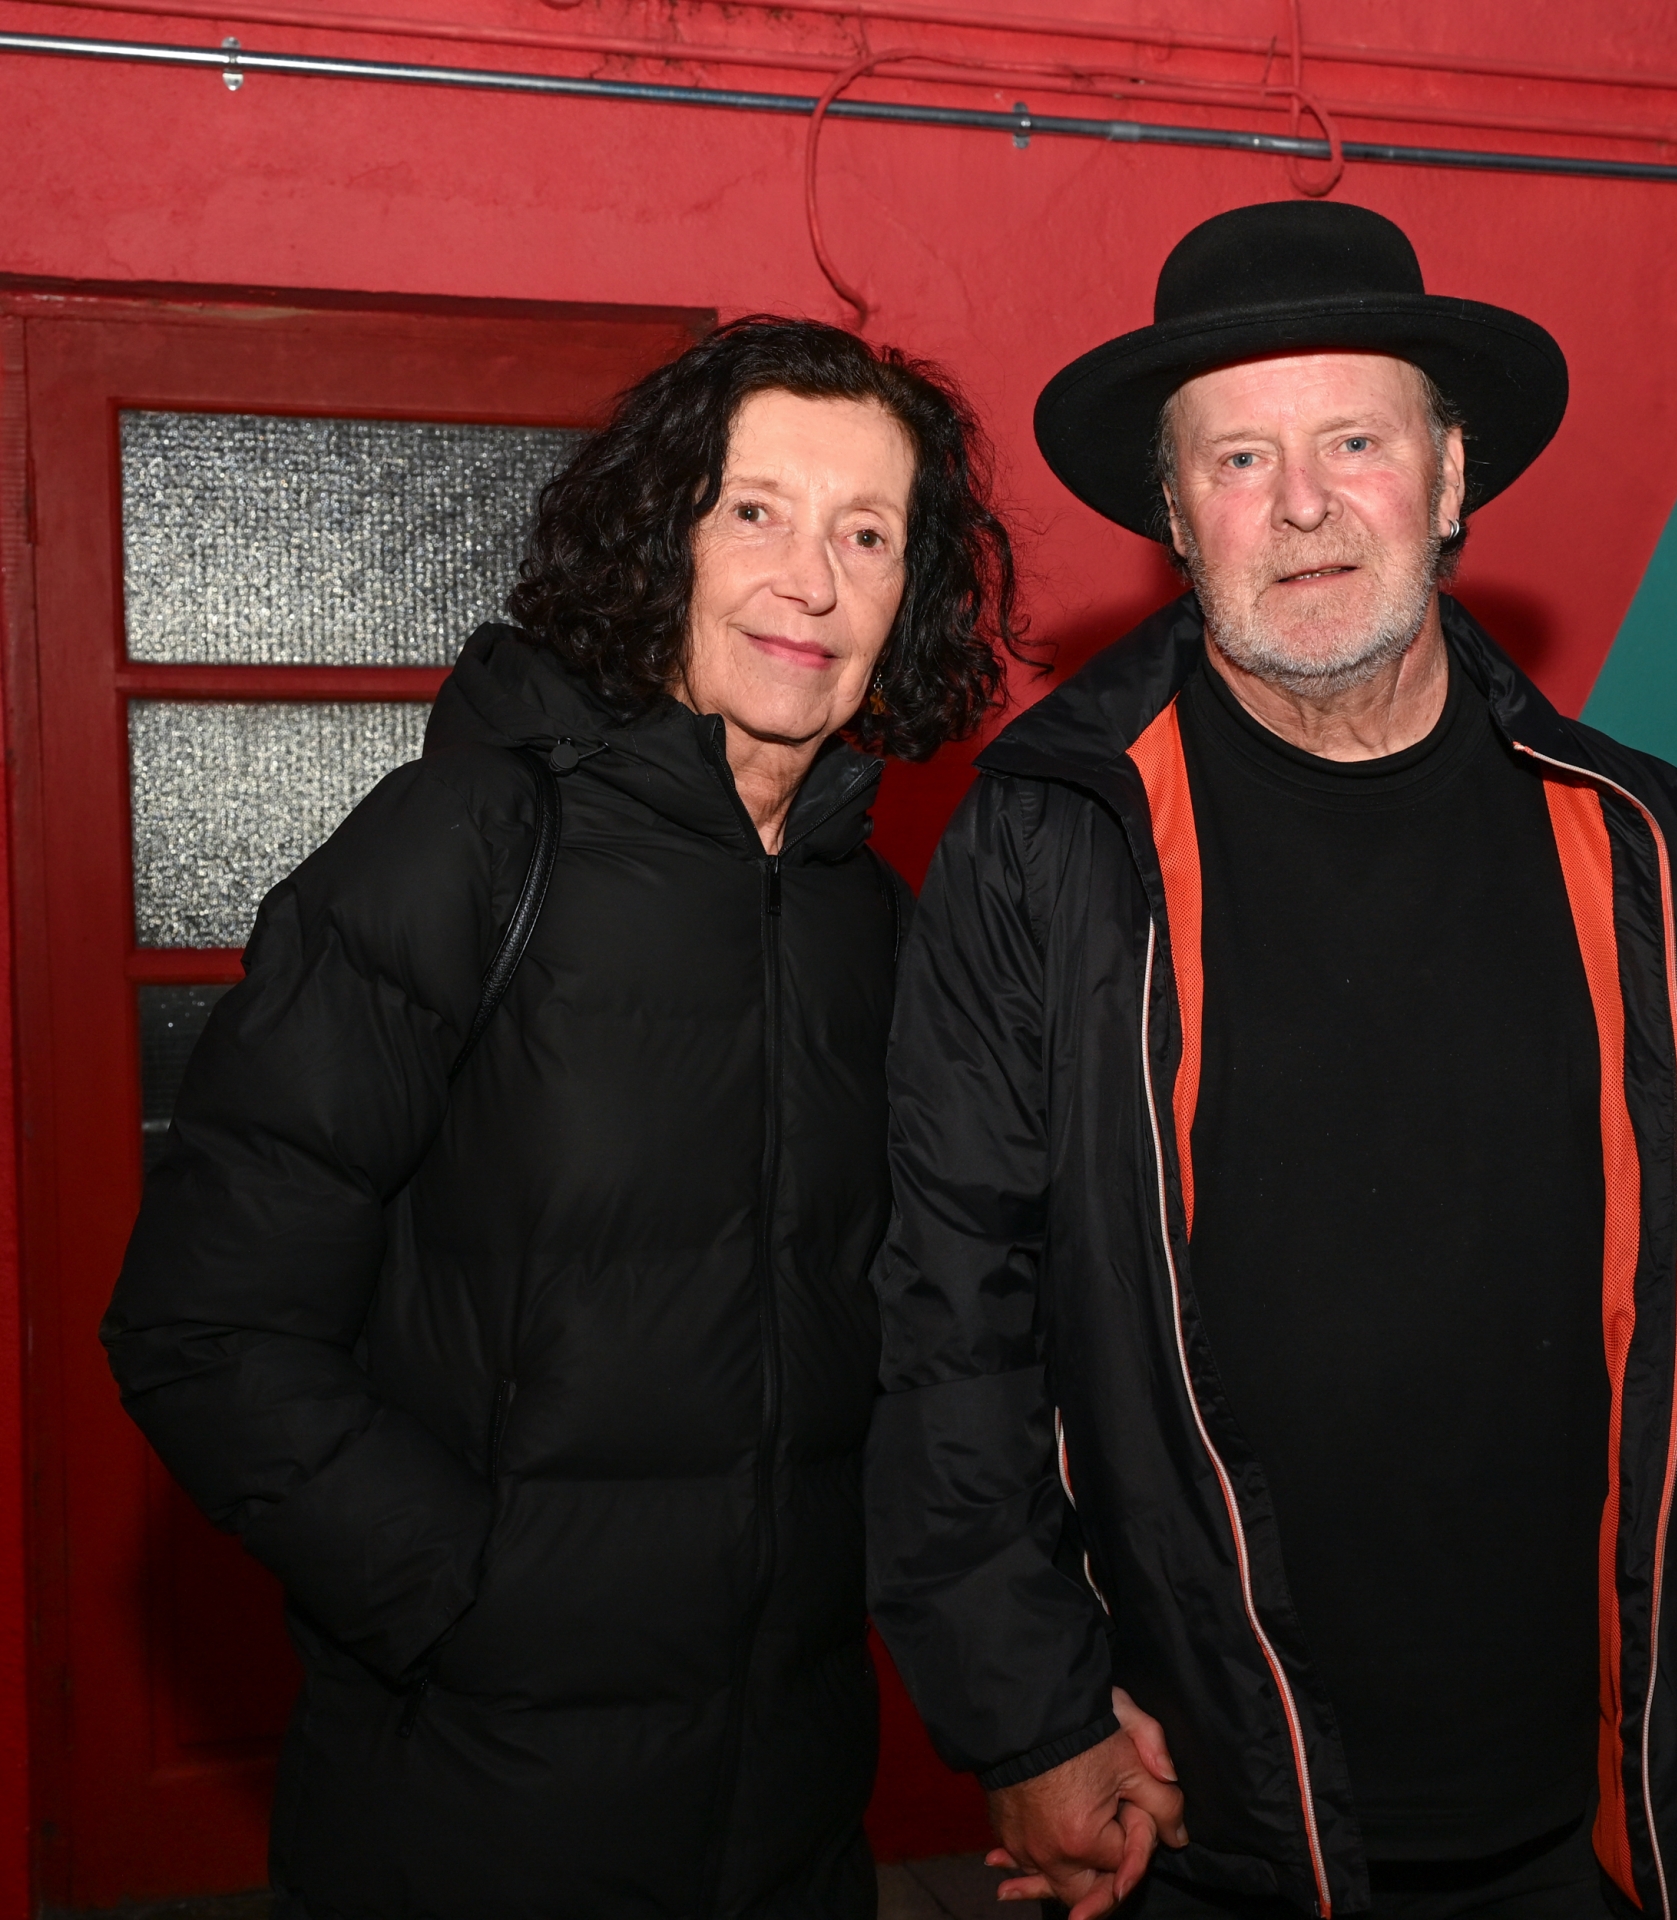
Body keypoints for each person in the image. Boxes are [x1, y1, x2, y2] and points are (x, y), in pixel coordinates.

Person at [865, 201, 1677, 1920]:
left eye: (1355, 441)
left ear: (1451, 475)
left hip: (1581, 1802)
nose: (1304, 502)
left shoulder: (1646, 842)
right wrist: (1024, 1711)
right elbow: (952, 1314)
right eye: (1241, 457)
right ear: (1175, 511)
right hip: (1195, 1807)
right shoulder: (1046, 843)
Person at [102, 316, 1022, 1920]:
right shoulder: (461, 846)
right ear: (660, 537)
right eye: (755, 510)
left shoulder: (875, 920)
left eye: (867, 534)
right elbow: (205, 1326)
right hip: (476, 1799)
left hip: (792, 1794)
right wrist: (459, 1604)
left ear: (911, 593)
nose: (810, 580)